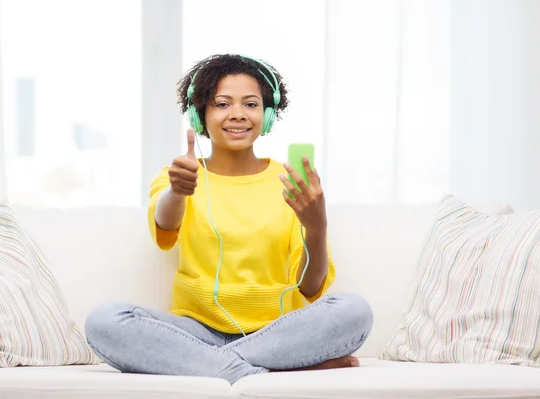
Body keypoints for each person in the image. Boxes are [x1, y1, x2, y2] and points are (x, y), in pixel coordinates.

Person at [85, 54, 373, 384]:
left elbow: (308, 287)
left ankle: (215, 367)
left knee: (354, 311)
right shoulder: (178, 175)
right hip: (195, 333)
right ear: (199, 114)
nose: (237, 113)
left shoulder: (290, 180)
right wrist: (179, 192)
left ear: (266, 116)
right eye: (222, 104)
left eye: (250, 104)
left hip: (278, 333)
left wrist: (317, 226)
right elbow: (165, 225)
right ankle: (272, 370)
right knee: (105, 320)